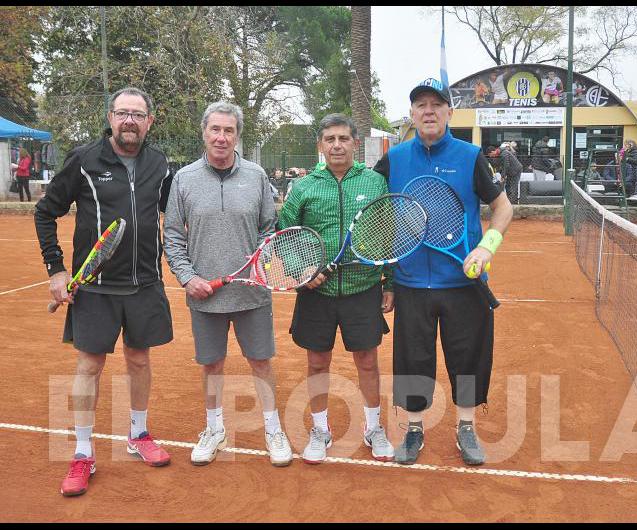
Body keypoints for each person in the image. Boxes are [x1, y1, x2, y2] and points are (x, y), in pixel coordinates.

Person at [34, 87, 174, 497]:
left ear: (150, 121)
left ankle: (138, 433)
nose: (129, 120)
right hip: (95, 287)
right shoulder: (84, 160)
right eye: (122, 113)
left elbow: (177, 211)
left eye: (137, 114)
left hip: (145, 283)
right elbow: (46, 212)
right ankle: (82, 453)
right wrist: (57, 270)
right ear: (110, 117)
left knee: (139, 359)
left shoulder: (159, 163)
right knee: (89, 367)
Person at [373, 77, 514, 466]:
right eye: (421, 105)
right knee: (413, 359)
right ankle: (414, 430)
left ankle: (466, 427)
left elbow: (503, 208)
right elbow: (371, 206)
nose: (429, 111)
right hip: (411, 282)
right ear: (413, 115)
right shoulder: (395, 159)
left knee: (467, 357)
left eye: (437, 104)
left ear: (450, 112)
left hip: (463, 282)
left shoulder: (470, 157)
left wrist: (487, 247)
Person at [163, 101, 292, 467]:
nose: (221, 137)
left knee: (260, 361)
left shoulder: (256, 177)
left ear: (237, 136)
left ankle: (272, 429)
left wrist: (262, 262)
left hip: (252, 293)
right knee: (212, 364)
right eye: (215, 130)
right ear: (204, 133)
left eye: (229, 131)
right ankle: (214, 428)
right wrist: (188, 278)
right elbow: (172, 235)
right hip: (205, 295)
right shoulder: (184, 180)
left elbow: (270, 228)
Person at [277, 113, 395, 465]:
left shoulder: (375, 183)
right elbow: (286, 237)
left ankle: (373, 428)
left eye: (343, 138)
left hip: (363, 288)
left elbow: (387, 232)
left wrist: (391, 282)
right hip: (317, 293)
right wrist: (302, 271)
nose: (337, 145)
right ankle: (320, 430)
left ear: (355, 144)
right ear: (321, 145)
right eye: (330, 139)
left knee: (368, 361)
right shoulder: (304, 187)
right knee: (316, 363)